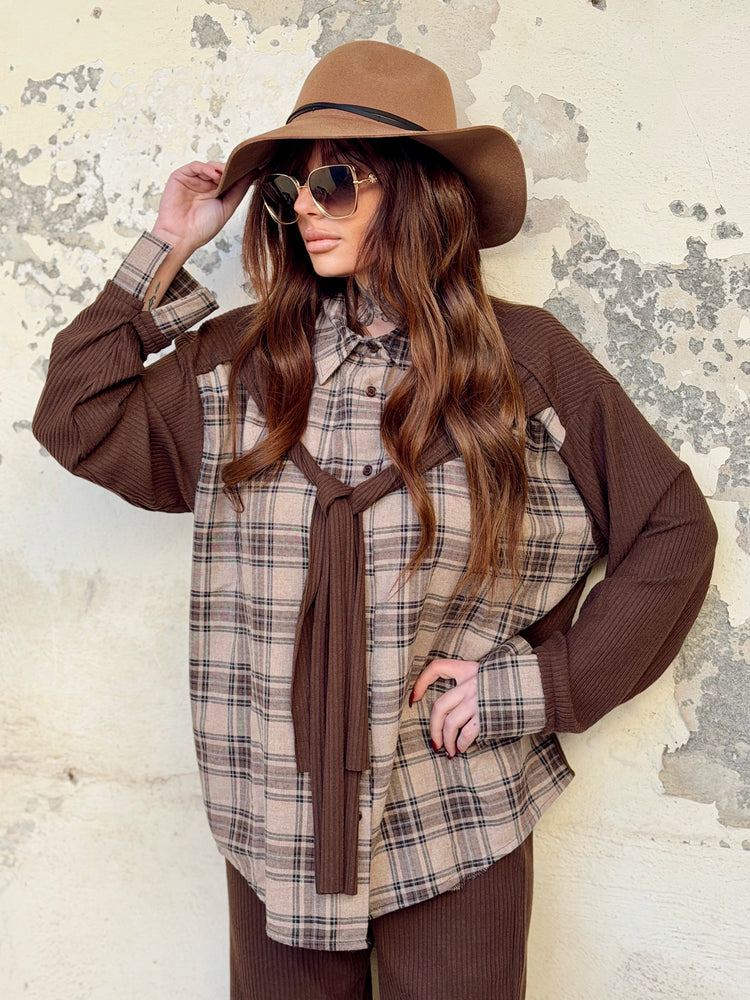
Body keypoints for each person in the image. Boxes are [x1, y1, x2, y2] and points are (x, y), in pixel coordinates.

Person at [32, 40, 717, 1000]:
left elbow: (675, 531)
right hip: (274, 820)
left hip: (453, 812)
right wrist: (168, 244)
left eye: (336, 183)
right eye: (292, 191)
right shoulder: (243, 364)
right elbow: (75, 416)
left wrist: (538, 685)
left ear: (417, 192)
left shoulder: (525, 364)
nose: (306, 209)